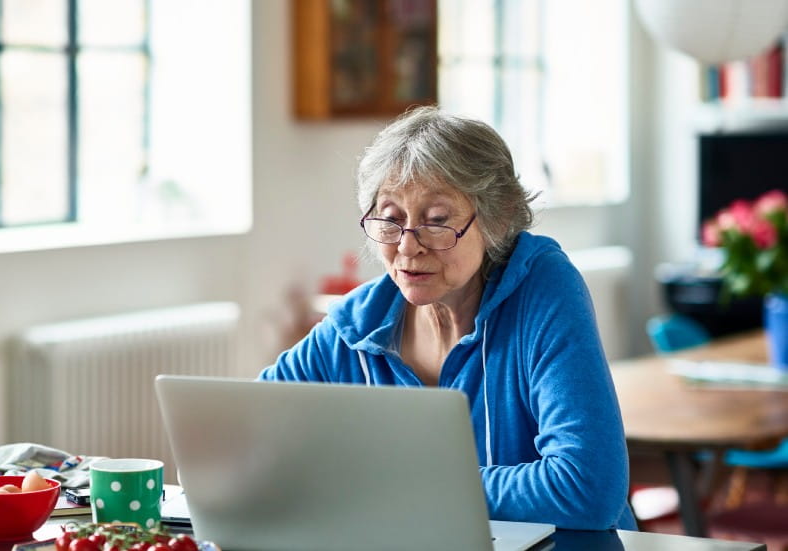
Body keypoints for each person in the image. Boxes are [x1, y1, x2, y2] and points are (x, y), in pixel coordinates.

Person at [258, 106, 637, 531]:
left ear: (500, 217)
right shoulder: (359, 324)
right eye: (391, 219)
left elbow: (586, 487)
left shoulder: (543, 290)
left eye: (437, 222)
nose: (408, 246)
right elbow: (250, 433)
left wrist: (399, 488)